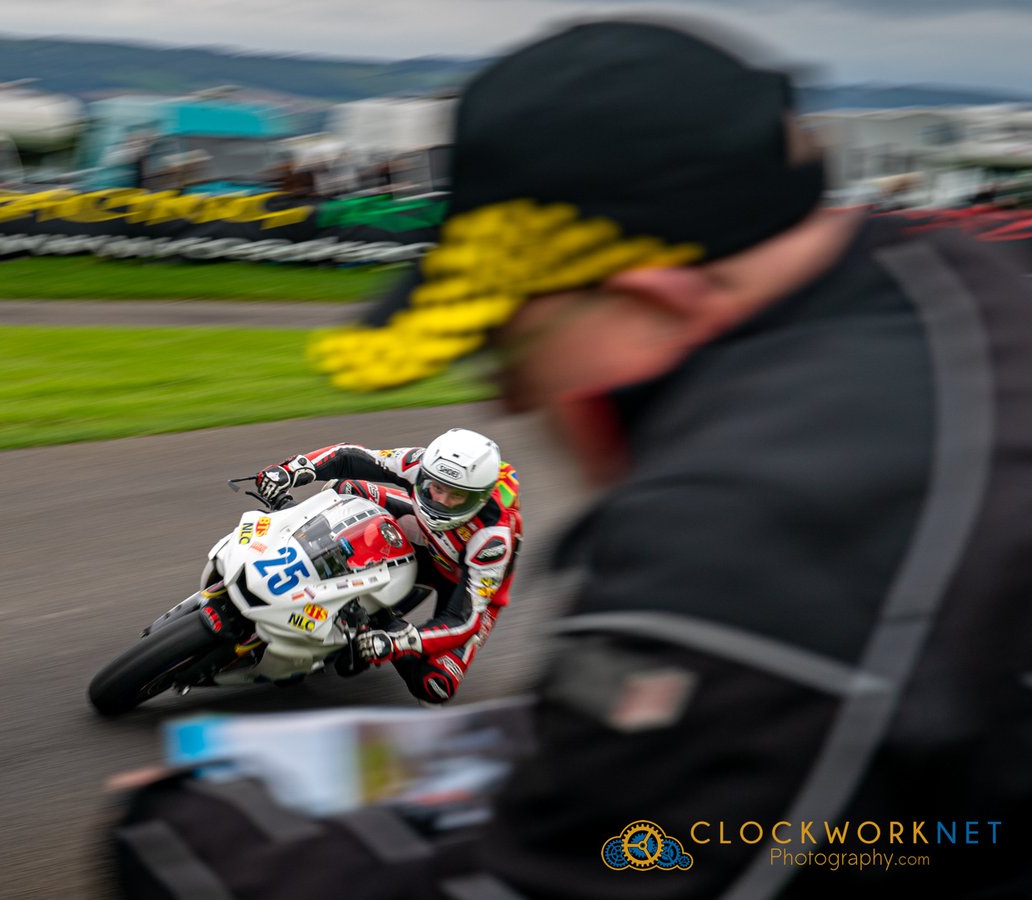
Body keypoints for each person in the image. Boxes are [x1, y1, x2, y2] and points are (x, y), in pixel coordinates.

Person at [110, 17, 1031, 900]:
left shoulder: (738, 547)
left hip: (445, 609)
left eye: (514, 341)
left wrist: (186, 836)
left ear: (651, 300)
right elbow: (729, 735)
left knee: (433, 683)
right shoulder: (966, 274)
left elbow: (581, 866)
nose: (513, 395)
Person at [254, 427, 522, 705]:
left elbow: (464, 620)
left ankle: (378, 619)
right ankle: (288, 540)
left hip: (462, 584)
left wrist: (403, 640)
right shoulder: (419, 464)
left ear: (478, 499)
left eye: (456, 496)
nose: (440, 501)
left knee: (435, 685)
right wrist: (293, 469)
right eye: (436, 488)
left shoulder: (492, 539)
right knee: (344, 488)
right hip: (421, 533)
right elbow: (351, 456)